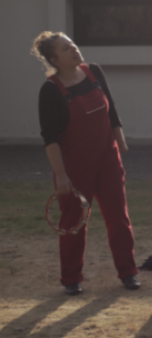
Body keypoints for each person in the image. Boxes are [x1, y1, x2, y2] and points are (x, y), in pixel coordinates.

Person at [34, 31, 139, 295]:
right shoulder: (50, 90)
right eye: (66, 48)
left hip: (108, 157)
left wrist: (121, 144)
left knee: (118, 216)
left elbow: (111, 110)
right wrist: (60, 176)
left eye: (73, 45)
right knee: (73, 221)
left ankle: (128, 272)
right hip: (74, 164)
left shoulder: (94, 72)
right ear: (53, 58)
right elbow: (50, 138)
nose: (74, 49)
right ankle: (71, 278)